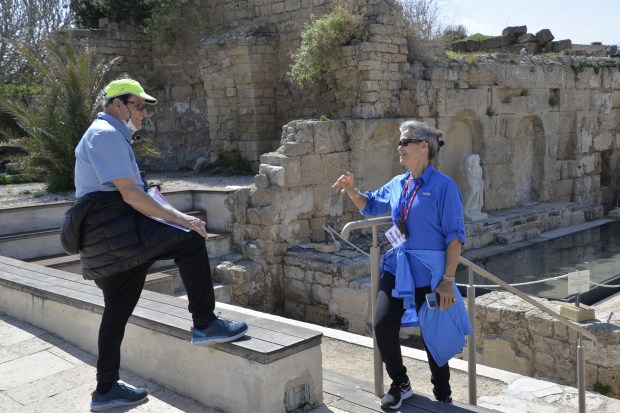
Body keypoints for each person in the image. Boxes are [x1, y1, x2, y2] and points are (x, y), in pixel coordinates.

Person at [60, 78, 248, 411]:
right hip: (114, 231)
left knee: (116, 312)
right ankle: (205, 324)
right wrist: (183, 222)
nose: (145, 114)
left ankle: (105, 391)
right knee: (190, 241)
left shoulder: (111, 135)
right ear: (119, 104)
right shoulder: (105, 135)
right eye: (140, 106)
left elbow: (144, 194)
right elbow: (131, 196)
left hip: (110, 239)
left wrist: (180, 216)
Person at [332, 120, 472, 410]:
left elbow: (455, 238)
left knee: (433, 333)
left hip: (432, 275)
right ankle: (401, 383)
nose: (399, 147)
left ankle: (443, 395)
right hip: (398, 269)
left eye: (404, 142)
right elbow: (370, 205)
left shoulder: (444, 187)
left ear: (423, 147)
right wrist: (351, 189)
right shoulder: (399, 183)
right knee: (383, 325)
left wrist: (448, 279)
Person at [462, 153, 488, 222]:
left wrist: (481, 182)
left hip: (478, 185)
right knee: (472, 192)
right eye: (476, 161)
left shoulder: (479, 168)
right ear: (473, 162)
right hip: (471, 185)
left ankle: (475, 211)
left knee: (478, 197)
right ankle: (465, 210)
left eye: (478, 161)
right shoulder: (470, 170)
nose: (478, 162)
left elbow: (480, 177)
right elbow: (469, 179)